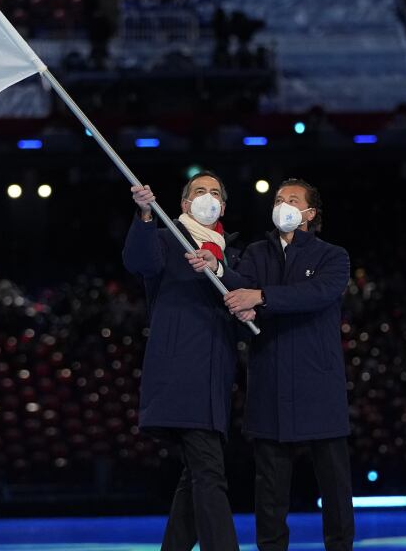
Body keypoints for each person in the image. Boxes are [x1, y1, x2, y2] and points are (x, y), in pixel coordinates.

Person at [219, 179, 354, 551]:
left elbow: (318, 294)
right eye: (279, 199)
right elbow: (235, 290)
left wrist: (260, 296)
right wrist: (215, 267)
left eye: (293, 200)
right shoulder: (256, 254)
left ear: (310, 213)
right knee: (270, 493)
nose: (283, 205)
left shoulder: (333, 256)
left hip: (318, 385)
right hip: (271, 382)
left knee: (335, 488)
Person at [123, 171, 243, 551]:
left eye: (214, 193)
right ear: (184, 203)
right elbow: (138, 260)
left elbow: (247, 292)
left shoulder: (233, 253)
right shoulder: (164, 239)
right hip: (180, 376)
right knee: (209, 472)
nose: (207, 198)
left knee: (196, 476)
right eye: (198, 191)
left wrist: (219, 268)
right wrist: (145, 215)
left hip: (216, 380)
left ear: (223, 206)